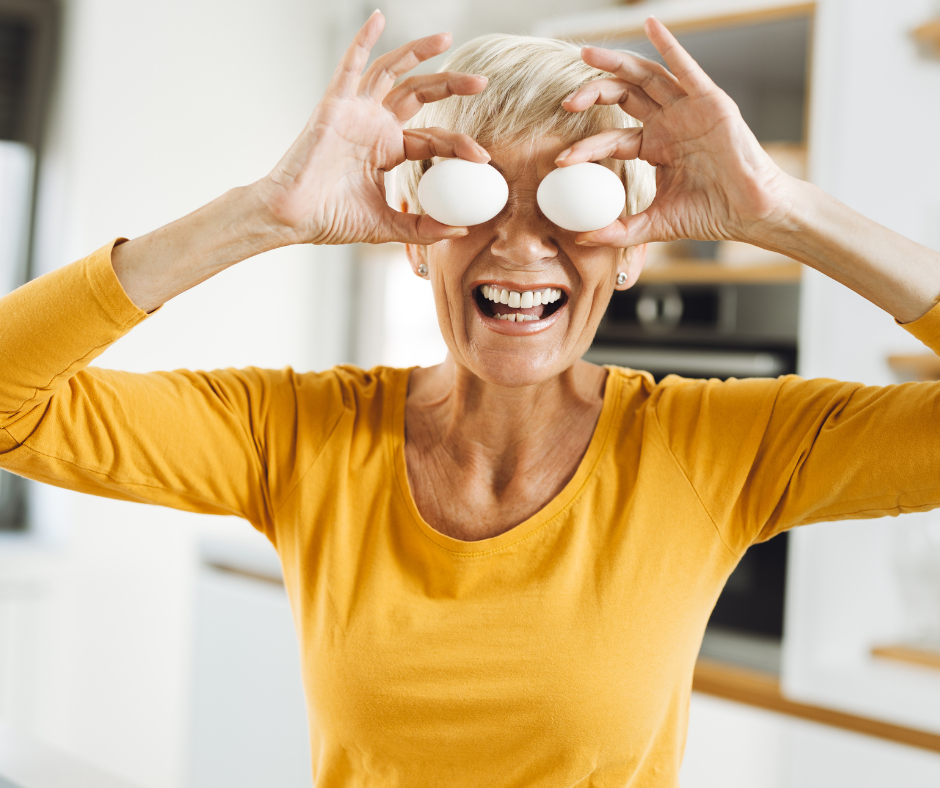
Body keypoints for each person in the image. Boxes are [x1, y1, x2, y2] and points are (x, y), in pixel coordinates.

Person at [2, 10, 939, 786]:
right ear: (415, 237)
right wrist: (260, 213)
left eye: (569, 202)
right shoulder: (300, 436)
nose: (521, 249)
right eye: (476, 198)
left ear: (632, 249)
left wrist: (782, 210)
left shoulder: (712, 446)